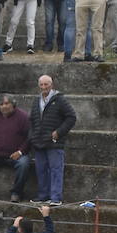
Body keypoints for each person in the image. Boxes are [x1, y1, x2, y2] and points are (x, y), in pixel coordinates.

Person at [28, 74, 76, 205]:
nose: (44, 87)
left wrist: (59, 132)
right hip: (39, 142)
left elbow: (71, 117)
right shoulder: (36, 100)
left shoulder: (60, 100)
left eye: (46, 84)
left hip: (54, 143)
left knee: (56, 170)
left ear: (51, 85)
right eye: (41, 85)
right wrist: (32, 136)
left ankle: (56, 198)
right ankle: (43, 196)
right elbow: (32, 119)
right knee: (41, 170)